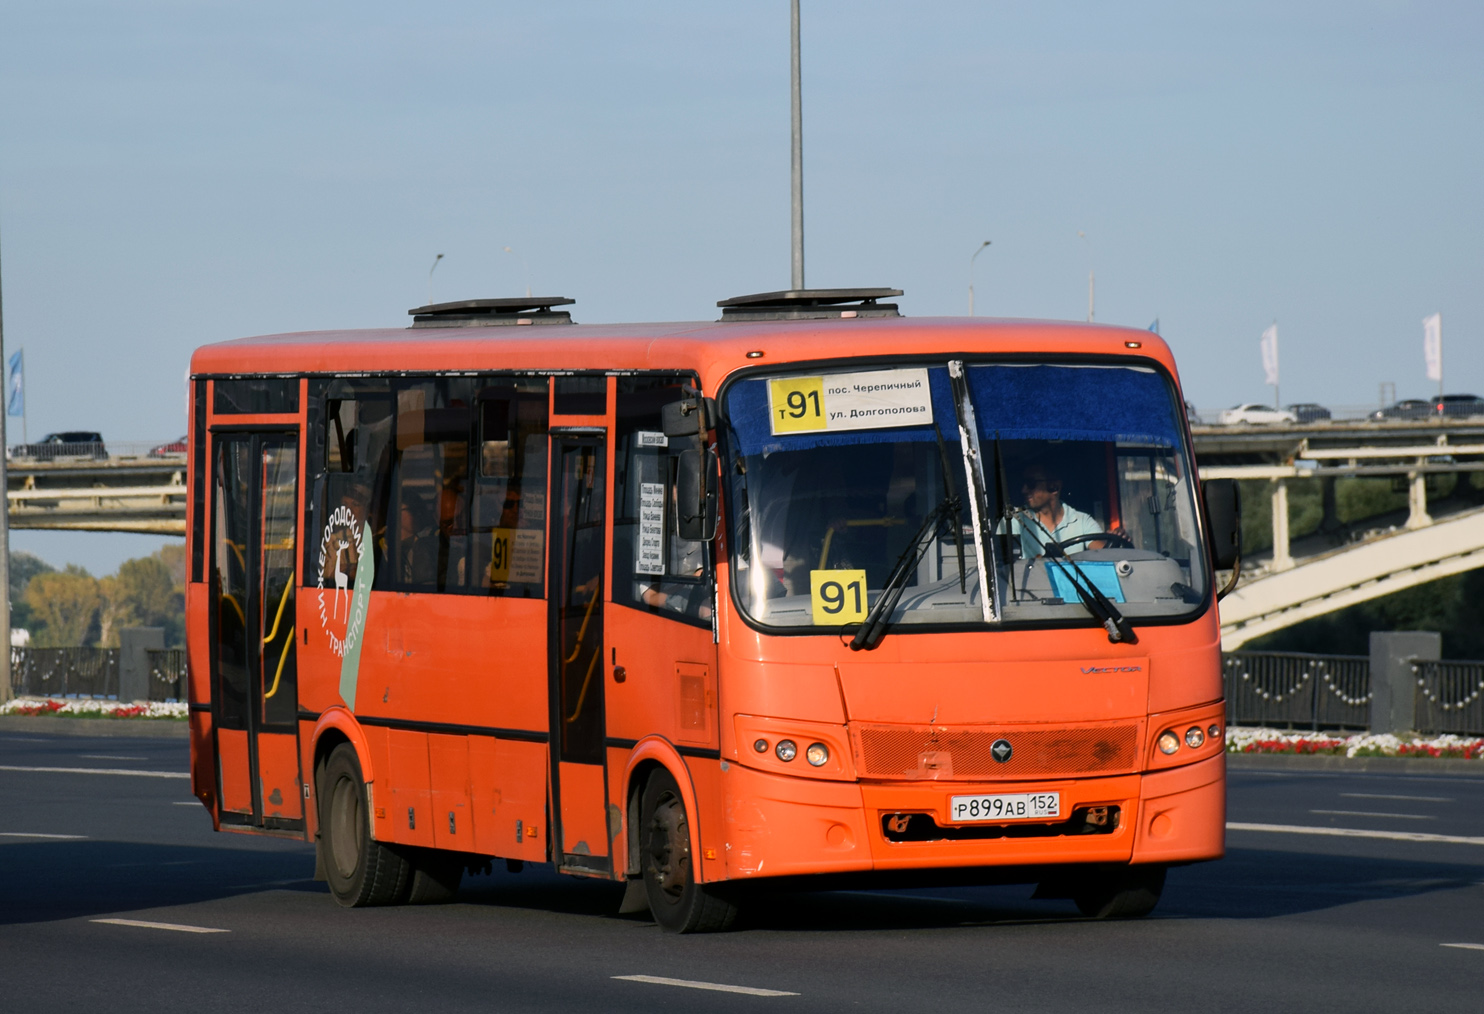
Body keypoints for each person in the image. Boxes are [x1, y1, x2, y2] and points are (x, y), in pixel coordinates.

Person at [1005, 463, 1105, 559]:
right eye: (1023, 484)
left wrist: (1114, 543)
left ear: (1054, 486)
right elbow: (1003, 565)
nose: (1024, 490)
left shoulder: (1082, 521)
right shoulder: (1013, 520)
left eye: (1031, 483)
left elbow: (1103, 556)